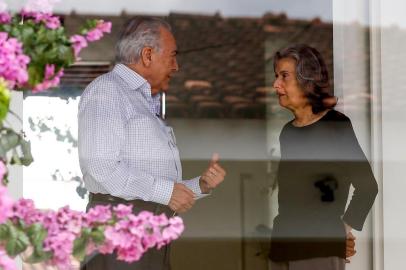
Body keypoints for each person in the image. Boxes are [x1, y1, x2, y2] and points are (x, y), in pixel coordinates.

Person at [78, 16, 226, 270]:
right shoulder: (107, 91)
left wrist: (199, 185)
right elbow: (102, 167)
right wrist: (166, 192)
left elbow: (152, 185)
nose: (176, 66)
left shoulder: (138, 99)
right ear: (147, 55)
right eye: (172, 56)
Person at [269, 44, 378, 270]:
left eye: (284, 76)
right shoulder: (288, 133)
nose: (275, 84)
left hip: (317, 251)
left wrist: (341, 230)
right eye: (276, 76)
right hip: (282, 249)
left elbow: (368, 187)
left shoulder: (336, 126)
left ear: (306, 80)